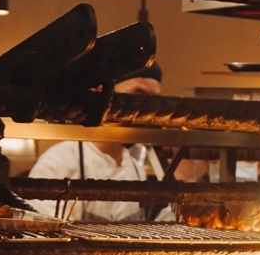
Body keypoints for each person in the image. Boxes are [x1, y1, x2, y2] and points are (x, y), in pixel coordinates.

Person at [27, 63, 165, 222]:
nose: (147, 108)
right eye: (138, 93)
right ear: (102, 92)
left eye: (155, 99)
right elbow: (43, 232)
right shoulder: (58, 162)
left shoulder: (135, 168)